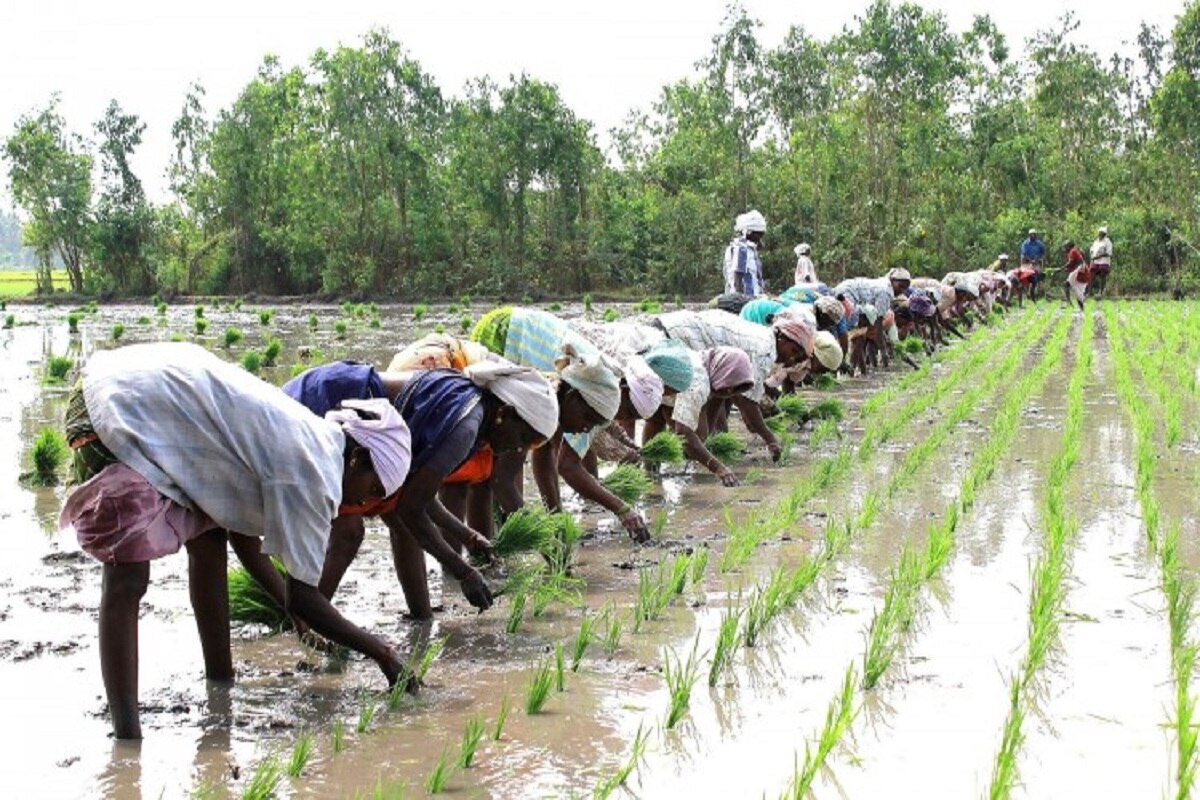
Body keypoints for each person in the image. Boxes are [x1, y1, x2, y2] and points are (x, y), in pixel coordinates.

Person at [59, 343, 414, 739]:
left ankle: (220, 683)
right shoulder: (312, 472)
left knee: (209, 539)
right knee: (127, 577)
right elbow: (305, 598)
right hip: (114, 407)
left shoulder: (317, 440)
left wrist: (290, 606)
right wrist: (382, 652)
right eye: (372, 488)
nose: (364, 502)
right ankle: (127, 738)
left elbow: (240, 536)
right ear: (358, 458)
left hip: (141, 389)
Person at [283, 360, 558, 619]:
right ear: (504, 413)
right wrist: (462, 571)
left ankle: (420, 619)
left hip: (348, 406)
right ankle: (306, 624)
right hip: (331, 406)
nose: (519, 449)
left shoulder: (474, 408)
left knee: (395, 525)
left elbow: (417, 494)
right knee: (349, 532)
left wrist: (468, 536)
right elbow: (411, 509)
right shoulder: (466, 427)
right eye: (523, 437)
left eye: (530, 445)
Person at [471, 307, 650, 541]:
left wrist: (556, 522)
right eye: (588, 420)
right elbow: (505, 478)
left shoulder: (582, 396)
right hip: (507, 335)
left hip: (530, 330)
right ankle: (493, 538)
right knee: (492, 462)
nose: (586, 429)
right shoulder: (544, 398)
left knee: (525, 450)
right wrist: (546, 540)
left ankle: (503, 528)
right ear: (573, 397)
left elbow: (547, 453)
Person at [723, 210, 767, 297]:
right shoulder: (741, 249)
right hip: (746, 299)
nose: (760, 238)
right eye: (758, 235)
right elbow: (737, 276)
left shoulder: (749, 249)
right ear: (748, 232)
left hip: (754, 297)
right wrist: (739, 299)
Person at [1019, 229, 1047, 300]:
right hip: (1027, 261)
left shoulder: (1039, 244)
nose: (1033, 236)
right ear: (1029, 235)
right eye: (1031, 234)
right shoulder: (1025, 244)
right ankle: (1027, 291)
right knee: (1026, 275)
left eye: (1034, 234)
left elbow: (1043, 253)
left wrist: (1038, 259)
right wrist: (1030, 260)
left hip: (1037, 261)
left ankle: (1034, 291)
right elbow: (1024, 254)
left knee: (1037, 274)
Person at [1062, 240, 1089, 310]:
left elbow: (1071, 262)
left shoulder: (1072, 251)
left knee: (1066, 284)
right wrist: (1066, 269)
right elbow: (1073, 264)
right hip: (1081, 271)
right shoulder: (1073, 251)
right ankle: (1081, 308)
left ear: (1069, 246)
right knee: (1077, 292)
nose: (1065, 248)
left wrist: (1061, 268)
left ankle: (1068, 302)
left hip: (1080, 270)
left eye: (1066, 246)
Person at [1089, 226, 1113, 296]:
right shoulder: (1096, 241)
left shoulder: (1108, 242)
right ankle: (1090, 292)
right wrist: (1092, 256)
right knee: (1092, 275)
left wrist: (1098, 256)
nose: (1100, 235)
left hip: (1104, 261)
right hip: (1095, 261)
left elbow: (1109, 253)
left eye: (1102, 233)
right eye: (1099, 233)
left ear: (1105, 234)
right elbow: (1092, 250)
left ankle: (1100, 292)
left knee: (1102, 276)